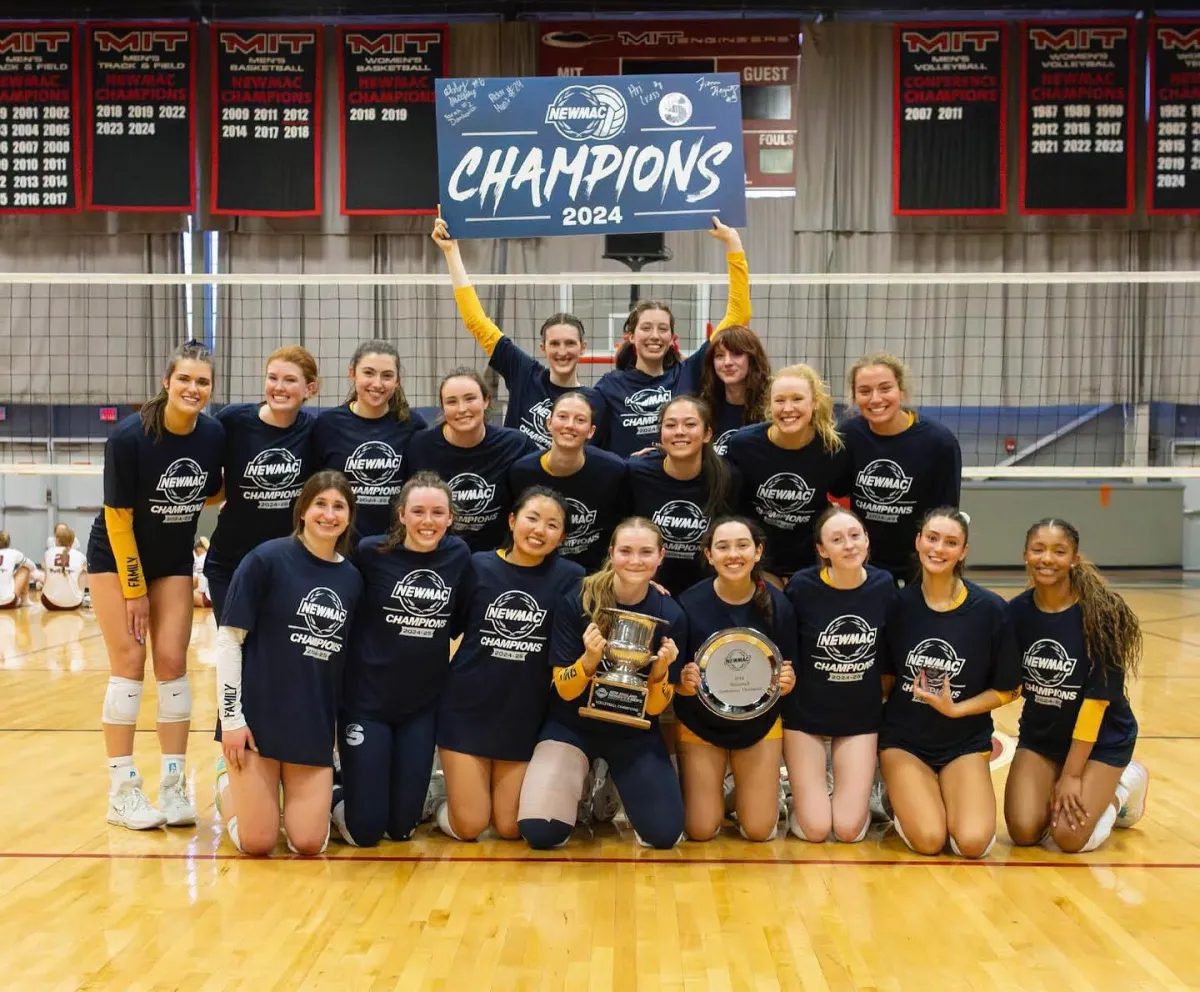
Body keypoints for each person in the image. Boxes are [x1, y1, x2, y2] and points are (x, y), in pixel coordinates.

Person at [87, 340, 225, 830]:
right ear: (167, 381)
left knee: (171, 662)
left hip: (170, 559)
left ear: (211, 388)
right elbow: (118, 519)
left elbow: (213, 490)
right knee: (129, 661)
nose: (193, 388)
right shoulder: (128, 439)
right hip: (116, 558)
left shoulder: (212, 435)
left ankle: (172, 785)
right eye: (184, 379)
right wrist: (133, 588)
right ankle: (122, 791)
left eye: (203, 381)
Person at [214, 471, 364, 856]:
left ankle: (304, 799)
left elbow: (343, 661)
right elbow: (230, 640)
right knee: (258, 843)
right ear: (302, 510)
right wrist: (232, 720)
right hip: (256, 721)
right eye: (320, 504)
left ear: (349, 516)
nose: (328, 515)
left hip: (310, 722)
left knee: (309, 843)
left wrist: (334, 727)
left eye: (338, 507)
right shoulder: (265, 559)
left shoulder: (351, 578)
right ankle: (227, 787)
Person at [519, 517, 686, 850]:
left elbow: (654, 707)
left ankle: (612, 779)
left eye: (645, 552)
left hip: (634, 732)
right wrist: (588, 661)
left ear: (660, 556)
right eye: (625, 551)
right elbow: (565, 689)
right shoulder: (579, 599)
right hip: (572, 726)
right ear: (611, 552)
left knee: (664, 835)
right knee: (541, 833)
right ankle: (579, 785)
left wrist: (661, 671)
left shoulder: (671, 613)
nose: (635, 560)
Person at [432, 487, 583, 840]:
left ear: (561, 536)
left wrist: (646, 584)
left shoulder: (571, 577)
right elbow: (452, 625)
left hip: (523, 715)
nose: (539, 530)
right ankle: (439, 800)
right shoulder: (478, 564)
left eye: (552, 525)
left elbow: (611, 590)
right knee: (470, 826)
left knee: (511, 828)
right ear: (513, 520)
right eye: (532, 518)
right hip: (466, 709)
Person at [332, 473, 473, 847]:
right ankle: (332, 794)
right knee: (366, 833)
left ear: (449, 518)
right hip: (366, 704)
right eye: (419, 511)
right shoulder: (371, 553)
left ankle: (409, 796)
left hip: (421, 708)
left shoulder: (459, 555)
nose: (428, 521)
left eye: (438, 512)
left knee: (402, 828)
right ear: (402, 515)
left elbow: (461, 617)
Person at [879, 508, 1021, 858]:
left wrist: (956, 709)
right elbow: (885, 678)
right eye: (932, 538)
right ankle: (897, 795)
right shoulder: (897, 605)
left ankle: (934, 794)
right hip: (905, 741)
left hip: (964, 741)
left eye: (951, 542)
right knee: (929, 840)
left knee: (972, 844)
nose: (939, 548)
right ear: (918, 542)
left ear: (964, 551)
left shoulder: (989, 609)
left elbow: (1009, 688)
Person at [1004, 518, 1149, 854]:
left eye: (1059, 551)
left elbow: (1097, 702)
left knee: (1068, 838)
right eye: (1038, 549)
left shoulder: (1101, 614)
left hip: (1101, 742)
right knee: (1024, 832)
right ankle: (1069, 788)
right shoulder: (1016, 613)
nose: (1047, 558)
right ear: (1025, 554)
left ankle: (1123, 786)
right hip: (1043, 738)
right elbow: (1007, 683)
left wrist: (1071, 775)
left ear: (1074, 559)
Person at [675, 517, 797, 842]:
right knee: (701, 829)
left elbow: (787, 669)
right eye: (723, 546)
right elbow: (676, 678)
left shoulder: (778, 604)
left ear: (758, 552)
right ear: (709, 554)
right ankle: (725, 787)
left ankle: (744, 791)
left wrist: (787, 680)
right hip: (701, 724)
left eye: (743, 545)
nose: (733, 554)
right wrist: (682, 681)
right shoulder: (687, 604)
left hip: (758, 725)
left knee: (759, 830)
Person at [431, 217, 603, 449]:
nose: (562, 351)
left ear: (582, 347)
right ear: (543, 348)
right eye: (554, 344)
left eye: (570, 343)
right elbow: (476, 321)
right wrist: (452, 253)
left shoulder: (594, 400)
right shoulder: (524, 373)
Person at [594, 218, 750, 457]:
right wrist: (625, 463)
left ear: (672, 338)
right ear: (631, 337)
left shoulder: (687, 372)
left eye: (662, 329)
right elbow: (591, 444)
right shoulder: (610, 385)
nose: (654, 336)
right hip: (629, 483)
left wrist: (732, 243)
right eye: (646, 328)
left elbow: (739, 315)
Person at [784, 506, 894, 842]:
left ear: (866, 540)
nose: (848, 545)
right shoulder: (802, 587)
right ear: (822, 550)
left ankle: (861, 792)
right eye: (836, 539)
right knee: (816, 830)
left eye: (854, 536)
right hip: (806, 717)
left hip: (858, 717)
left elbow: (889, 655)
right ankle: (793, 795)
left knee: (847, 831)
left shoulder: (883, 584)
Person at [204, 346, 319, 622]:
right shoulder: (233, 421)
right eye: (272, 378)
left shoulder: (316, 431)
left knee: (273, 654)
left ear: (310, 388)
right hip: (230, 562)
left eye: (290, 380)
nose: (279, 387)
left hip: (288, 564)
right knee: (234, 650)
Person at [841, 353, 962, 583]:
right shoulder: (847, 435)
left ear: (901, 391)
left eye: (885, 388)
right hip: (863, 562)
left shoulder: (938, 442)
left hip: (918, 563)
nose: (875, 399)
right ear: (855, 397)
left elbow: (947, 513)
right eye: (865, 391)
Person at [725, 365, 850, 580]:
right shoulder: (743, 445)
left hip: (809, 563)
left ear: (815, 403)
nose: (787, 408)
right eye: (780, 400)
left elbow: (841, 495)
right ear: (770, 405)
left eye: (797, 399)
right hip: (757, 561)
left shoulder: (832, 449)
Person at [404, 367, 539, 553]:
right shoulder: (420, 446)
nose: (462, 409)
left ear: (486, 400)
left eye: (470, 398)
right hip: (440, 555)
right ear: (443, 408)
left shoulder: (516, 445)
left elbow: (535, 501)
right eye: (452, 402)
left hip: (497, 558)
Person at [313, 340, 427, 542]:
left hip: (392, 546)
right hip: (339, 543)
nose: (377, 383)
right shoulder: (328, 424)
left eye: (387, 376)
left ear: (397, 381)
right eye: (368, 373)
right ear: (352, 373)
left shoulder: (412, 425)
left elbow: (418, 489)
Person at [627, 395, 737, 595]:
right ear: (660, 433)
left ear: (707, 434)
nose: (679, 432)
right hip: (648, 589)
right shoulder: (636, 473)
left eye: (690, 424)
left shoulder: (729, 479)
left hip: (708, 592)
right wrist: (637, 580)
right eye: (670, 425)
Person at [508, 391, 629, 572]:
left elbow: (626, 525)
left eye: (580, 420)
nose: (570, 425)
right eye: (562, 417)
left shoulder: (613, 470)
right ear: (549, 423)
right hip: (539, 571)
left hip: (595, 575)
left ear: (591, 431)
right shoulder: (522, 472)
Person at [698, 325, 771, 455]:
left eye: (736, 354)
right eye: (720, 356)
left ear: (752, 358)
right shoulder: (704, 408)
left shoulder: (772, 407)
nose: (727, 362)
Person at [40, 525, 88, 611]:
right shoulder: (81, 556)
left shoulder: (48, 553)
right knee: (84, 570)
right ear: (73, 542)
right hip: (75, 604)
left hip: (49, 603)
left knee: (45, 570)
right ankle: (80, 595)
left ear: (57, 540)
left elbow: (44, 568)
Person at [0, 533, 34, 608]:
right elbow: (32, 566)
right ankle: (24, 600)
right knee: (25, 569)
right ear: (9, 542)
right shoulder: (13, 553)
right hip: (8, 602)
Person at [192, 538, 211, 609]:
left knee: (184, 595)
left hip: (208, 599)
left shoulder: (200, 559)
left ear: (199, 549)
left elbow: (202, 588)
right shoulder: (210, 556)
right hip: (221, 596)